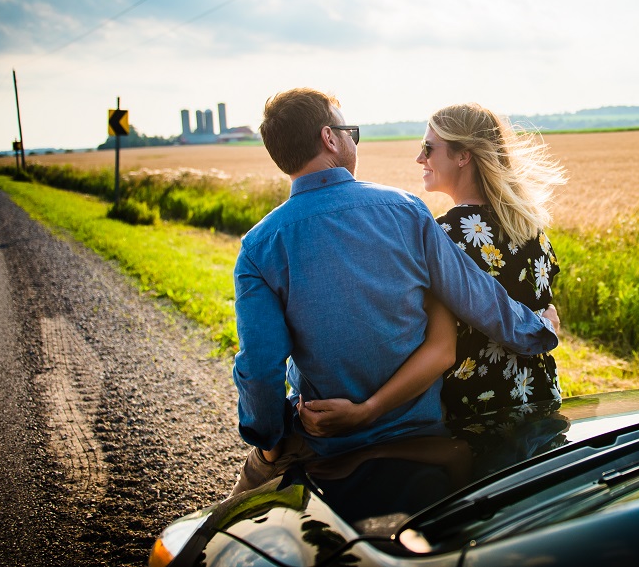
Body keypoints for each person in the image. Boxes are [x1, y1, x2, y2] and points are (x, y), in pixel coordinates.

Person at [230, 89, 559, 496]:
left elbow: (260, 367)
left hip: (326, 443)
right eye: (350, 130)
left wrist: (268, 435)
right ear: (330, 138)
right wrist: (540, 331)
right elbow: (477, 297)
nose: (354, 140)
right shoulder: (405, 211)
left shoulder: (259, 247)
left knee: (232, 520)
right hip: (421, 437)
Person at [298, 102, 567, 435]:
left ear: (462, 155)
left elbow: (441, 352)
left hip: (478, 413)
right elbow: (548, 310)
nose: (419, 158)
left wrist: (368, 410)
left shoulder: (444, 236)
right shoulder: (531, 228)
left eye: (428, 148)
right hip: (540, 397)